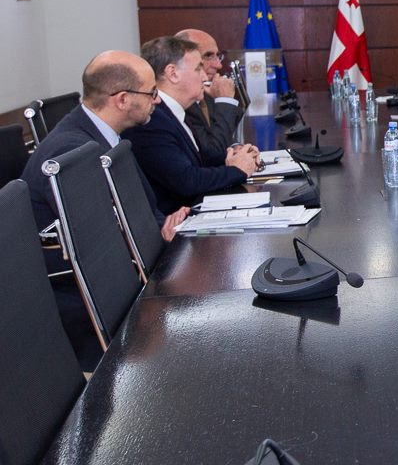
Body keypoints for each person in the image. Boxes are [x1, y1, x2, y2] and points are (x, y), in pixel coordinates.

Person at [18, 50, 189, 370]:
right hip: (85, 301)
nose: (157, 100)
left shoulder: (100, 134)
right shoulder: (73, 150)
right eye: (151, 92)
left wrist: (165, 226)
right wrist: (160, 233)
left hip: (119, 277)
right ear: (122, 99)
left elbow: (133, 215)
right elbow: (105, 240)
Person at [124, 36, 260, 214]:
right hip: (177, 221)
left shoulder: (176, 109)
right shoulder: (152, 118)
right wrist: (237, 170)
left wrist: (236, 156)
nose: (204, 76)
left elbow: (199, 160)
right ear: (173, 73)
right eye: (197, 69)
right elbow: (186, 180)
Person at [175, 29, 243, 164]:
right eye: (208, 56)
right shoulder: (182, 101)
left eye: (218, 56)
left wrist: (235, 147)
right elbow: (212, 154)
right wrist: (225, 100)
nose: (218, 65)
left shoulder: (208, 92)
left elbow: (221, 133)